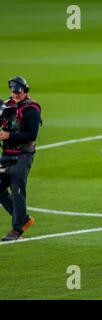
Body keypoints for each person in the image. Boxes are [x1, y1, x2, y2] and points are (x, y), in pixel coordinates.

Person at [0, 76, 41, 241]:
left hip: (23, 155)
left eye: (18, 92)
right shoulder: (7, 105)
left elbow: (32, 134)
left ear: (25, 91)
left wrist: (9, 135)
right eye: (13, 92)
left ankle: (17, 230)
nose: (15, 95)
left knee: (17, 190)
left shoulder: (31, 109)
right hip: (7, 154)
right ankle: (22, 218)